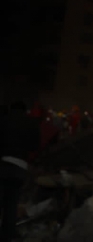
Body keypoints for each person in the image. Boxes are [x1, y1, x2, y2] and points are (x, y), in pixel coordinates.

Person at [1, 101, 41, 242]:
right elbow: (35, 146)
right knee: (11, 202)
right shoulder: (31, 123)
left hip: (2, 163)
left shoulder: (3, 120)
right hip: (19, 166)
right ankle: (8, 233)